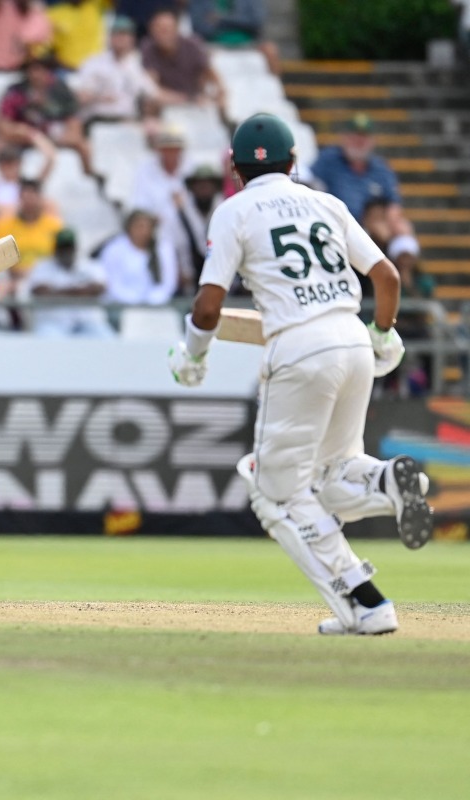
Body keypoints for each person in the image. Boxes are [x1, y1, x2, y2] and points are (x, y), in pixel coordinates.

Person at [168, 113, 433, 635]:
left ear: (235, 171)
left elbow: (207, 307)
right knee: (332, 474)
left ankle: (366, 601)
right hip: (352, 338)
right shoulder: (327, 202)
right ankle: (388, 482)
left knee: (273, 493)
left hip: (298, 349)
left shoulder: (233, 211)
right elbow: (387, 275)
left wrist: (193, 355)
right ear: (292, 163)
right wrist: (382, 334)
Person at [310, 114, 418, 264]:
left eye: (363, 137)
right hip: (338, 228)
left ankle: (408, 279)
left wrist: (394, 225)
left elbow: (394, 205)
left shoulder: (381, 169)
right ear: (345, 138)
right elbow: (307, 186)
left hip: (374, 231)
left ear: (372, 141)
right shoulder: (328, 161)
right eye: (355, 136)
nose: (359, 142)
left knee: (402, 231)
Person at [72, 15, 160, 126]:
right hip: (97, 119)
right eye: (117, 34)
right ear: (109, 37)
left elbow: (153, 95)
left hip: (128, 121)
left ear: (132, 39)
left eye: (125, 34)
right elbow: (79, 97)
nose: (121, 38)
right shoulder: (93, 63)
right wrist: (98, 97)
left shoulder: (137, 65)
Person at [26, 227, 113, 336]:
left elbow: (100, 288)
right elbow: (40, 291)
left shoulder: (90, 265)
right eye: (62, 248)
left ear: (75, 248)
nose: (66, 252)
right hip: (54, 323)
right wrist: (81, 291)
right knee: (46, 337)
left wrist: (58, 292)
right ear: (55, 249)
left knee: (105, 336)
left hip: (87, 321)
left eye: (69, 248)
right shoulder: (42, 267)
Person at [141, 9, 225, 109]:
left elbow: (210, 74)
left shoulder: (193, 44)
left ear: (176, 29)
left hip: (197, 100)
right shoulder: (148, 48)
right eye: (159, 28)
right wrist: (182, 99)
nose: (163, 33)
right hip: (167, 102)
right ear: (151, 30)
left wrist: (217, 94)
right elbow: (151, 85)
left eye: (167, 28)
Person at [99, 208, 178, 304]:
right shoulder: (113, 249)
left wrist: (153, 300)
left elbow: (168, 283)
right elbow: (112, 283)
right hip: (122, 305)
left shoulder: (163, 248)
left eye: (147, 227)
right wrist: (136, 302)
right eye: (139, 227)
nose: (143, 231)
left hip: (158, 305)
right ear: (129, 227)